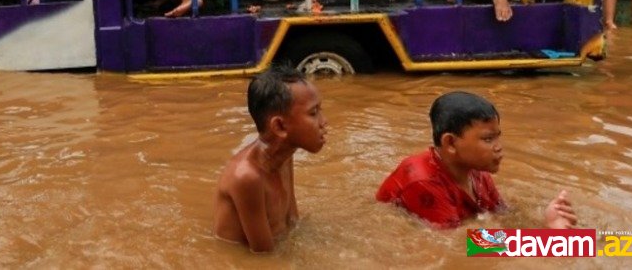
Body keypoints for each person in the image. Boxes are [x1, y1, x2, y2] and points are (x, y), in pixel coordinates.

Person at [376, 91, 577, 230]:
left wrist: (546, 220)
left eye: (498, 136)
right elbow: (461, 247)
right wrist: (551, 239)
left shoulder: (476, 171)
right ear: (451, 143)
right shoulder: (424, 183)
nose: (499, 146)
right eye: (488, 139)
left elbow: (502, 215)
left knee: (595, 244)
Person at [213, 65, 328, 253]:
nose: (324, 122)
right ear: (280, 127)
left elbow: (293, 222)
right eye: (313, 113)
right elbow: (264, 256)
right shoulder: (247, 177)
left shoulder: (285, 156)